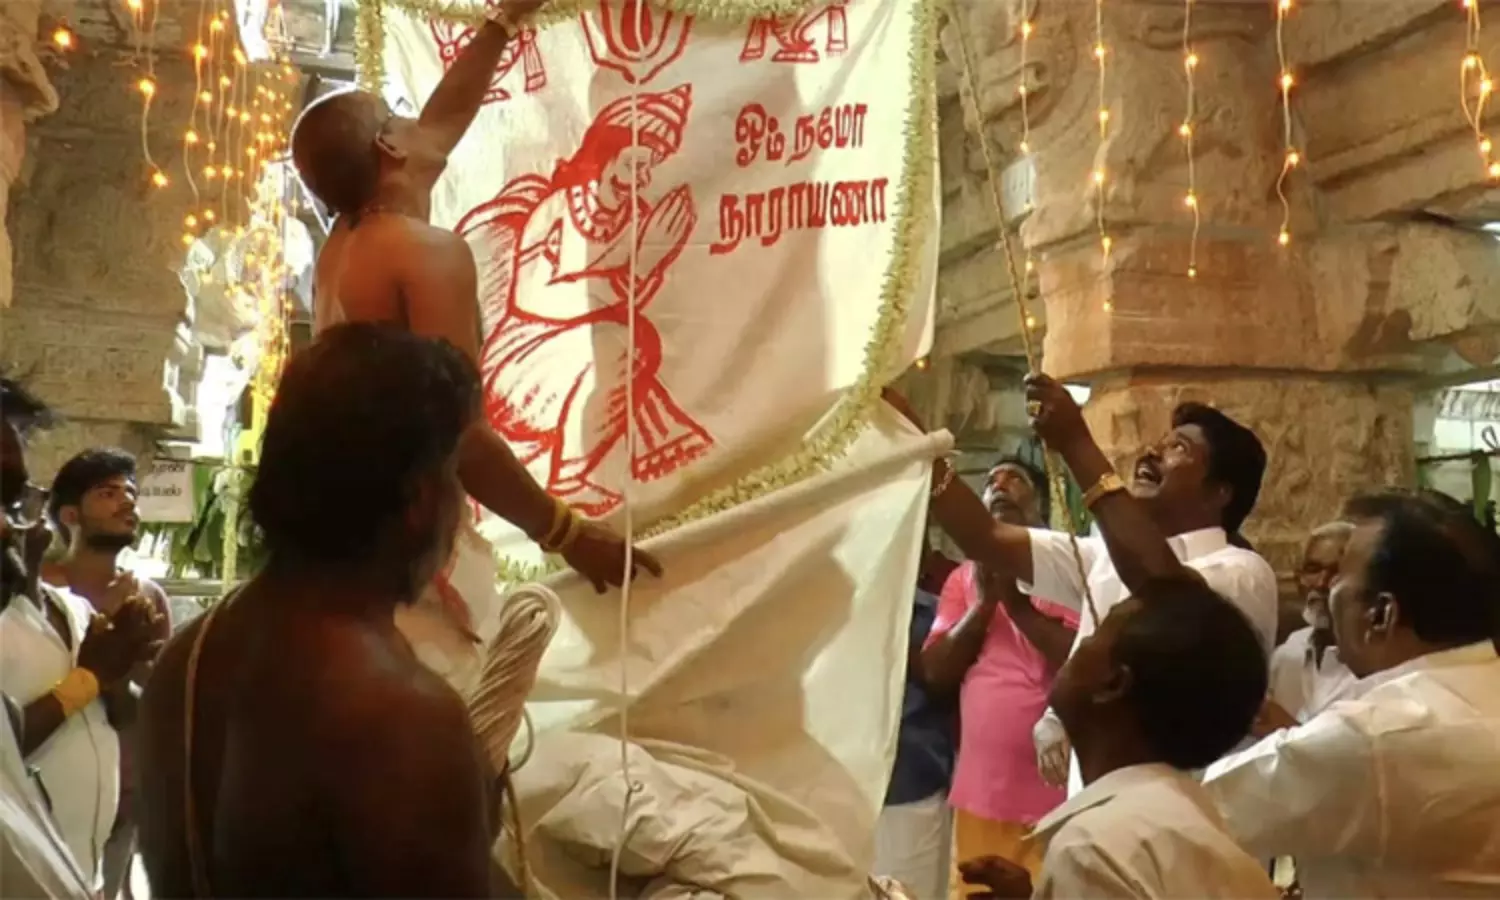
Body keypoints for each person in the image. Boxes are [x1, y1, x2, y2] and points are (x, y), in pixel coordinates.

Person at [290, 0, 656, 613]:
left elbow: (443, 119)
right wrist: (567, 534)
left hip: (360, 546)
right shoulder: (423, 251)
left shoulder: (348, 243)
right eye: (398, 115)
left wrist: (504, 22)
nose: (417, 120)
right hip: (409, 560)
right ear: (390, 147)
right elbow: (458, 431)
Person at [137, 324, 522, 898]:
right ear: (421, 498)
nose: (460, 508)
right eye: (455, 478)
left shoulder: (183, 661)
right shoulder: (400, 713)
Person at [888, 376, 1279, 794]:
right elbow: (986, 537)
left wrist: (1077, 444)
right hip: (1095, 800)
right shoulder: (1105, 557)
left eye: (1178, 449)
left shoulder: (1242, 573)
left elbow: (1168, 596)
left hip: (1185, 806)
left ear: (1219, 492)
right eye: (1159, 443)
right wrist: (918, 443)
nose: (1151, 453)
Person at [1203, 489, 1500, 897]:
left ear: (1380, 615)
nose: (1325, 591)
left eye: (1340, 575)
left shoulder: (1378, 733)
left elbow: (1194, 811)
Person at [958, 581, 1277, 899]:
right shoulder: (1198, 824)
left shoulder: (1091, 850)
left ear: (1112, 684)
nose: (1080, 643)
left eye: (1095, 635)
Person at [0, 377, 156, 898]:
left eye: (15, 503)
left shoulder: (76, 611)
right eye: (108, 494)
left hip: (89, 864)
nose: (12, 527)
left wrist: (122, 670)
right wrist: (89, 677)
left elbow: (124, 709)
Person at [922, 458, 1077, 891]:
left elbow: (1083, 658)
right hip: (983, 794)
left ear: (1042, 504)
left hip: (1059, 798)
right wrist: (985, 604)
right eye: (990, 479)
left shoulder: (1071, 569)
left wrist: (1018, 606)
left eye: (1015, 478)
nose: (999, 484)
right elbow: (935, 673)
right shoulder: (962, 579)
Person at [41, 449, 173, 900]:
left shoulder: (147, 597)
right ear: (70, 515)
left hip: (121, 798)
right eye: (108, 493)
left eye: (130, 493)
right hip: (41, 791)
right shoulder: (36, 594)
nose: (127, 502)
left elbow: (149, 706)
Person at [873, 544, 957, 900]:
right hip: (835, 792)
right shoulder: (825, 612)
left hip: (909, 790)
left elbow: (948, 688)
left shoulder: (936, 615)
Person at [1260, 521, 1355, 731]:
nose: (1322, 583)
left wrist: (1291, 731)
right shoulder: (1289, 652)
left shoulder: (1377, 666)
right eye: (1313, 569)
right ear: (1298, 577)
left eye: (1337, 571)